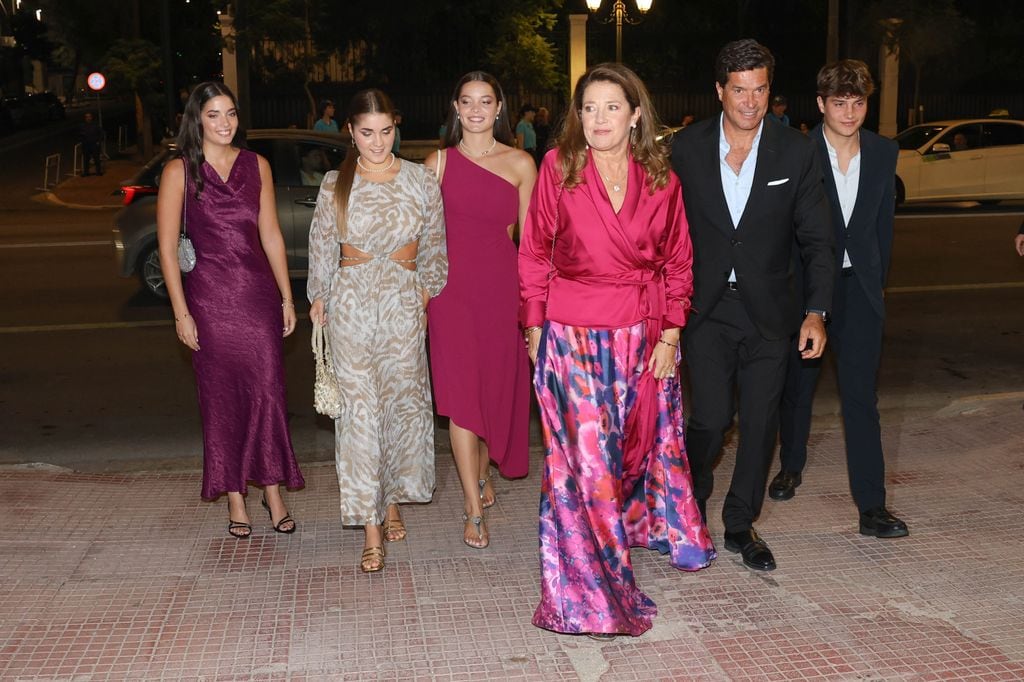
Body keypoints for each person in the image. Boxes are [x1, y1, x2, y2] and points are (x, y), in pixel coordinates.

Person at [520, 62, 715, 638]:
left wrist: (670, 335)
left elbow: (679, 262)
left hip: (638, 337)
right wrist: (535, 329)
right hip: (571, 337)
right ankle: (587, 589)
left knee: (628, 454)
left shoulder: (662, 180)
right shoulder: (559, 167)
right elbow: (533, 254)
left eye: (611, 107)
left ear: (635, 116)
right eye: (588, 108)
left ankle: (633, 543)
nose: (598, 119)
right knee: (582, 467)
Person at [669, 39, 834, 572]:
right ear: (720, 91)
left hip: (772, 312)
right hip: (707, 309)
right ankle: (689, 500)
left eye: (759, 89)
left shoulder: (797, 150)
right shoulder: (686, 148)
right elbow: (662, 230)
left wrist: (817, 311)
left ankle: (740, 523)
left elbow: (818, 238)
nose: (750, 101)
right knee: (712, 420)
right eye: (739, 90)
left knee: (762, 424)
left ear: (769, 91)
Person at [307, 89, 447, 573]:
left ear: (396, 126)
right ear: (350, 131)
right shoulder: (334, 184)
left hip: (402, 308)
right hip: (350, 307)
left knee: (397, 408)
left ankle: (390, 500)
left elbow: (434, 250)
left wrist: (422, 296)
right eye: (367, 132)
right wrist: (318, 299)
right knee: (360, 415)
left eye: (386, 131)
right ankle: (370, 525)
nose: (377, 141)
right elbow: (323, 247)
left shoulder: (420, 180)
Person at [156, 81, 304, 539]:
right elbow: (165, 250)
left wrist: (285, 296)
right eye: (214, 114)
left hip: (256, 297)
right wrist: (181, 312)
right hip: (208, 300)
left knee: (268, 392)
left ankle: (272, 489)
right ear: (197, 119)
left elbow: (272, 235)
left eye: (231, 113)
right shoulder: (179, 171)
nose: (225, 123)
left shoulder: (256, 165)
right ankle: (235, 495)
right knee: (221, 400)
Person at [770, 59, 909, 539]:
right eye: (839, 102)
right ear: (821, 104)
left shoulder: (884, 151)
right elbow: (785, 231)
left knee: (860, 399)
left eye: (858, 102)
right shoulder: (797, 152)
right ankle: (791, 465)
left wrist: (878, 283)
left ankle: (872, 507)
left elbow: (881, 228)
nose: (849, 112)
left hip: (861, 290)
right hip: (810, 289)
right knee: (798, 388)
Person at [425, 72, 535, 549]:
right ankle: (472, 506)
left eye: (484, 101)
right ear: (455, 107)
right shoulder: (437, 164)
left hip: (501, 292)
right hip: (450, 297)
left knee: (495, 394)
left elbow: (529, 245)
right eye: (466, 101)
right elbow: (423, 239)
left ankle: (485, 469)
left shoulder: (521, 164)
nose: (475, 109)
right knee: (462, 402)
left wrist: (533, 310)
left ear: (498, 107)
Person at [80, 111, 103, 176]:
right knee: (86, 159)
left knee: (96, 159)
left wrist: (98, 141)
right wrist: (82, 141)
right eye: (87, 117)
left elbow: (101, 133)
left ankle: (98, 172)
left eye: (89, 116)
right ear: (85, 118)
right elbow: (79, 135)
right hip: (86, 145)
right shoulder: (82, 125)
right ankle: (86, 172)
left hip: (94, 144)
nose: (88, 118)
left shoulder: (95, 125)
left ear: (91, 117)